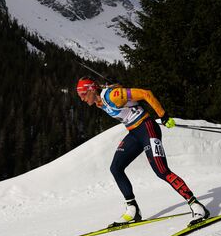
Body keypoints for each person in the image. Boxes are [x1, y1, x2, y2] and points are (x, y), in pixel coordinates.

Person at [76, 77, 209, 227]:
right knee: (116, 168)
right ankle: (132, 210)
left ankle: (196, 205)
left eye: (83, 94)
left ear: (92, 90)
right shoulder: (99, 100)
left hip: (148, 129)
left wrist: (163, 115)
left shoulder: (112, 95)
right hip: (134, 134)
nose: (81, 98)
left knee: (161, 171)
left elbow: (146, 94)